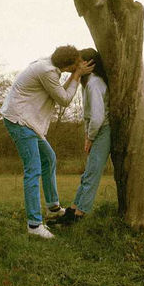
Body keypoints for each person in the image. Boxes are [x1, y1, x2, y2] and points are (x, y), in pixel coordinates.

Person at [1, 45, 94, 239]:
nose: (77, 66)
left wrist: (73, 73)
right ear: (67, 65)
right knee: (33, 169)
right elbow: (65, 99)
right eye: (75, 64)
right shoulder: (46, 71)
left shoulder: (50, 66)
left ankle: (53, 207)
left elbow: (60, 89)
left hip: (30, 121)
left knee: (49, 158)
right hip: (20, 120)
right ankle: (34, 225)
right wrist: (77, 75)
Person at [56, 47, 111, 225]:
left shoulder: (94, 84)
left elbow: (97, 118)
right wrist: (87, 137)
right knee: (88, 173)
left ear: (89, 65)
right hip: (96, 131)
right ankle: (73, 209)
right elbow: (89, 116)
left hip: (103, 130)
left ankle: (80, 214)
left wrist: (91, 137)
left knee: (92, 174)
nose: (75, 66)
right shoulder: (87, 84)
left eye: (79, 62)